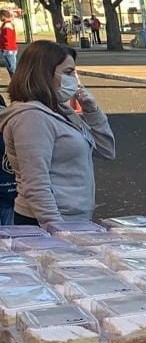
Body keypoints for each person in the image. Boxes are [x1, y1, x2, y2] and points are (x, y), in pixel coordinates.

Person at [0, 41, 115, 225]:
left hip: (75, 217)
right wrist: (58, 231)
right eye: (68, 73)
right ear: (44, 74)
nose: (75, 80)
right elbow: (35, 183)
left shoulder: (62, 110)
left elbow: (106, 150)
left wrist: (92, 112)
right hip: (47, 222)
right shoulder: (31, 117)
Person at [0, 11, 17, 78]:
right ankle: (13, 81)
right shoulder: (5, 24)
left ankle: (16, 82)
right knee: (9, 67)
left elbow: (7, 38)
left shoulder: (7, 25)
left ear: (3, 16)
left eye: (0, 16)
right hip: (6, 49)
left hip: (8, 49)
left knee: (12, 67)